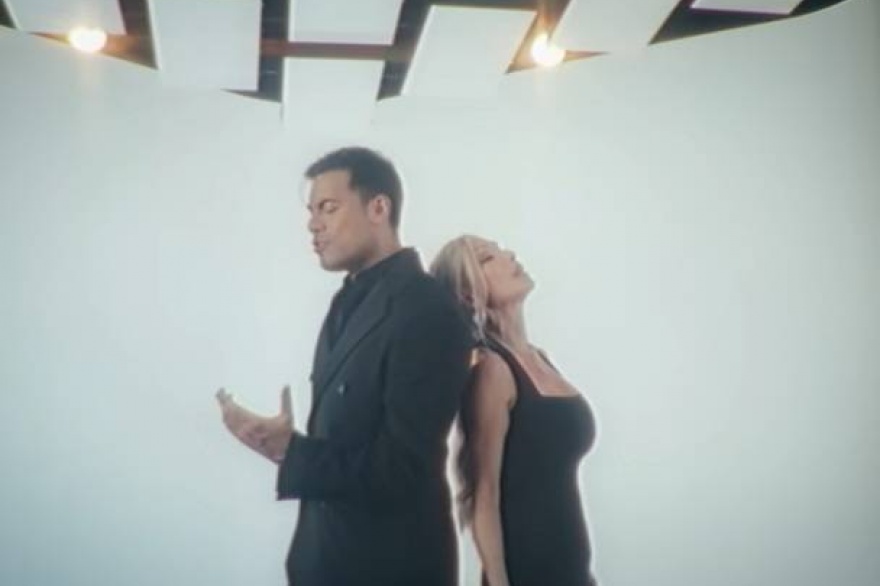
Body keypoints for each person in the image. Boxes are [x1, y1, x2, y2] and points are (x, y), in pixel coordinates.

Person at [215, 147, 473, 586]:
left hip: (390, 570)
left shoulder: (426, 307)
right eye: (311, 211)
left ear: (378, 208)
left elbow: (403, 469)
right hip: (326, 562)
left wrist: (290, 451)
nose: (313, 224)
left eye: (329, 208)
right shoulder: (345, 301)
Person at [430, 235, 599, 586]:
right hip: (526, 571)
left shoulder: (540, 359)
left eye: (500, 249)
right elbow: (484, 492)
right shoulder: (493, 370)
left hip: (571, 572)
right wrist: (498, 581)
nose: (509, 255)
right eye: (488, 258)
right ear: (468, 293)